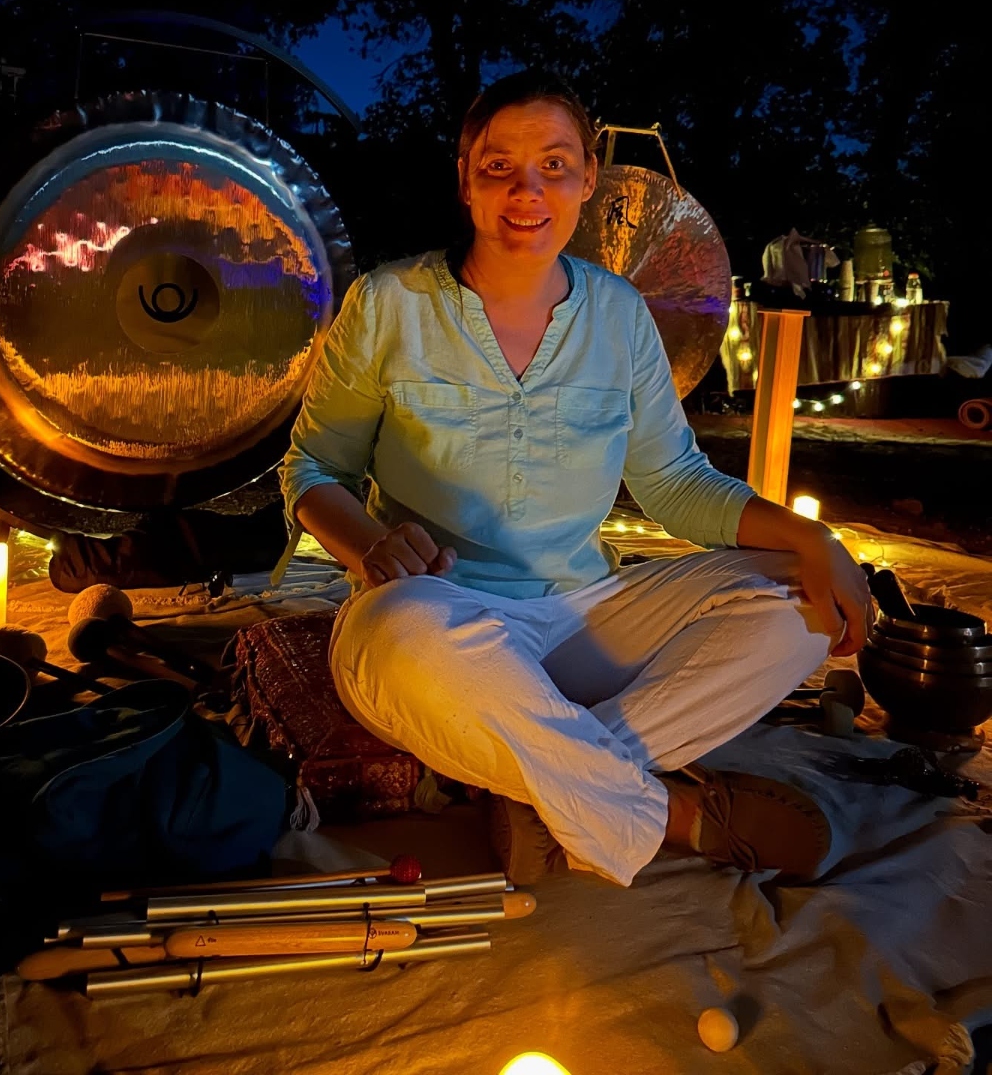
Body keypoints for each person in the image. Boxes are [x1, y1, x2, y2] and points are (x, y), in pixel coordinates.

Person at [280, 70, 872, 886]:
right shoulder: (389, 303)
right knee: (398, 637)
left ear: (590, 178)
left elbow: (672, 481)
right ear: (465, 177)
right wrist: (371, 545)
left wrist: (811, 537)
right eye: (499, 167)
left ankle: (532, 778)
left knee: (798, 598)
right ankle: (672, 816)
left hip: (588, 618)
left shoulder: (622, 313)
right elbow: (314, 467)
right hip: (438, 620)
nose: (527, 190)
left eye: (554, 165)